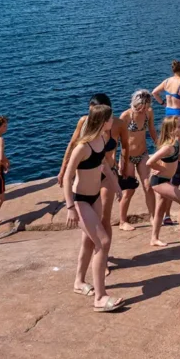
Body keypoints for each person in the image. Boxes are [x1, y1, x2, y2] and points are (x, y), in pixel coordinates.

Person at [63, 101, 124, 312]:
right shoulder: (82, 146)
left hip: (95, 197)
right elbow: (67, 177)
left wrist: (116, 186)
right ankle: (100, 297)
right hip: (80, 200)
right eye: (110, 117)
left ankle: (79, 282)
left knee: (89, 242)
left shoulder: (100, 139)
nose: (113, 120)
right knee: (103, 242)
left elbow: (104, 165)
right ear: (103, 120)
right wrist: (70, 206)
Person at [58, 94, 128, 269]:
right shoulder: (84, 122)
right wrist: (63, 168)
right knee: (92, 229)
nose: (91, 115)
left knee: (105, 219)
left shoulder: (118, 124)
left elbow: (125, 146)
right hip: (88, 174)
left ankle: (102, 257)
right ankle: (99, 258)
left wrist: (122, 169)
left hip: (107, 173)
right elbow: (73, 144)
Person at [148, 116, 180, 247]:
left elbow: (175, 158)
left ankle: (154, 238)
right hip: (160, 181)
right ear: (171, 130)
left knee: (160, 209)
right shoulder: (167, 147)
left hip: (166, 180)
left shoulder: (176, 143)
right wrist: (160, 168)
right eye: (178, 127)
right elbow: (150, 162)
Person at [118, 90, 157, 231]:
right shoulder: (126, 116)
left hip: (143, 153)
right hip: (128, 156)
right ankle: (122, 221)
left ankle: (154, 217)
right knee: (129, 190)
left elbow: (152, 130)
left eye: (146, 107)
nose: (144, 110)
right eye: (141, 107)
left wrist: (159, 145)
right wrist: (120, 162)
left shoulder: (149, 113)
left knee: (148, 186)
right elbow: (119, 140)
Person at [152, 60, 180, 133]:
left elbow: (154, 92)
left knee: (170, 135)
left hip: (168, 111)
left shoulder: (166, 81)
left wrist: (163, 104)